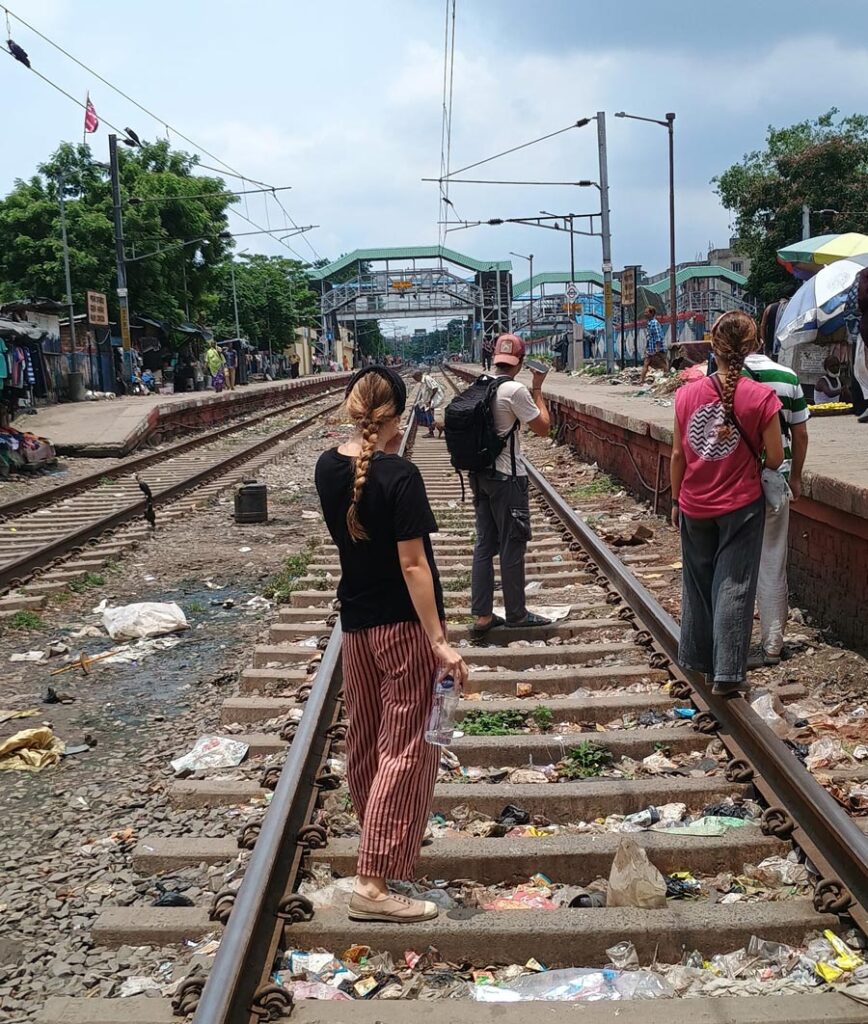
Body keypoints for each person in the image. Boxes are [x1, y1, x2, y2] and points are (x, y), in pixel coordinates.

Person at [315, 367, 468, 924]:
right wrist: (439, 641)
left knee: (367, 742)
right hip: (402, 630)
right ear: (399, 416)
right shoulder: (400, 475)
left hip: (355, 627)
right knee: (405, 748)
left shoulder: (328, 465)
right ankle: (373, 884)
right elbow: (411, 563)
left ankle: (375, 853)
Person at [670, 311, 784, 695]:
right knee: (733, 585)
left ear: (712, 347)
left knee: (699, 585)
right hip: (741, 505)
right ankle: (728, 674)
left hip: (694, 503)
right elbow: (775, 456)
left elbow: (677, 456)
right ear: (751, 348)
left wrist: (675, 499)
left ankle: (700, 662)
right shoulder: (761, 397)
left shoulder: (685, 395)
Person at [470, 334, 553, 637]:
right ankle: (516, 613)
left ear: (495, 358)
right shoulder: (515, 389)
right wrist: (538, 388)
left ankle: (481, 615)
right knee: (512, 543)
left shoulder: (479, 384)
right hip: (508, 478)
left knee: (484, 543)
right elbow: (543, 428)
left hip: (480, 477)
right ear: (520, 361)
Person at [743, 339, 810, 667]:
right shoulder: (787, 377)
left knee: (734, 564)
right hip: (775, 480)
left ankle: (732, 643)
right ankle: (772, 643)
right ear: (760, 342)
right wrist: (795, 476)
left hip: (735, 484)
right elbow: (800, 434)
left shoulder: (724, 377)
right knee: (772, 561)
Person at [412, 370, 445, 438]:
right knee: (418, 408)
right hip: (427, 400)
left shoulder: (427, 379)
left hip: (434, 399)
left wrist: (430, 400)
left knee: (428, 413)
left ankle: (431, 431)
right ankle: (431, 426)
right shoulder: (423, 380)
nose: (415, 380)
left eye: (415, 378)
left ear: (419, 376)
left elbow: (435, 388)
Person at [641, 306, 667, 383]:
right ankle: (641, 380)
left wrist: (657, 348)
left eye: (646, 312)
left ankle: (667, 377)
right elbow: (650, 337)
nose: (645, 314)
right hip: (651, 349)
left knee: (663, 364)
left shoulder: (654, 323)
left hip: (656, 349)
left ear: (651, 313)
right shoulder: (650, 323)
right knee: (646, 363)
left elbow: (658, 336)